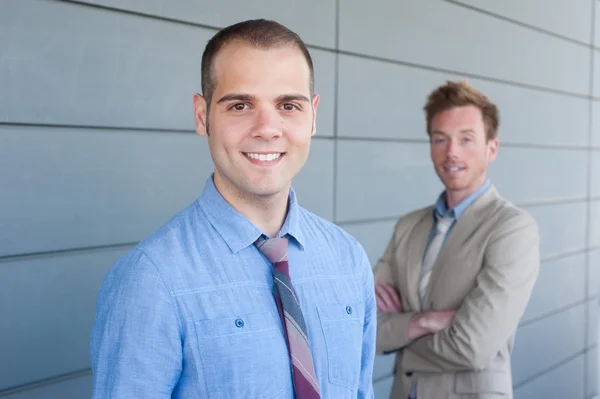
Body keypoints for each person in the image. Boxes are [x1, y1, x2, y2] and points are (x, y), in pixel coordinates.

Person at [90, 19, 376, 399]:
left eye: (288, 105)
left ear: (313, 116)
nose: (267, 128)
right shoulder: (151, 280)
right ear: (201, 115)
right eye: (240, 105)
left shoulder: (348, 260)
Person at [374, 81, 540, 399]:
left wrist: (402, 338)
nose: (451, 151)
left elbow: (472, 347)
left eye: (466, 139)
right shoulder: (408, 227)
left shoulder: (512, 229)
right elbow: (370, 328)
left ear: (492, 148)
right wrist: (425, 321)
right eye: (440, 139)